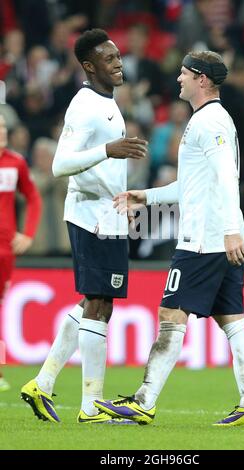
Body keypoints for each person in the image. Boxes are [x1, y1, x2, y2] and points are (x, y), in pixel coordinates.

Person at [95, 51, 244, 426]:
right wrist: (147, 197)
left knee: (171, 315)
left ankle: (144, 400)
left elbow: (225, 177)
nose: (178, 79)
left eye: (185, 74)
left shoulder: (211, 122)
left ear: (202, 79)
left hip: (204, 239)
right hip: (218, 235)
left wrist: (231, 230)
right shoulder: (206, 120)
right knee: (233, 319)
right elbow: (192, 185)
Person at [21, 29, 147, 423]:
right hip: (91, 218)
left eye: (118, 56)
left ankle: (41, 384)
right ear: (89, 67)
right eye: (109, 59)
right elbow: (60, 165)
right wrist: (109, 149)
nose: (118, 62)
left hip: (107, 216)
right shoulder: (85, 106)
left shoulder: (106, 102)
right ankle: (91, 408)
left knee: (95, 303)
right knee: (99, 306)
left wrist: (124, 198)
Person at [0, 112, 42, 392]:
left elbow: (33, 197)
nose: (3, 132)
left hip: (5, 250)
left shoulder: (15, 163)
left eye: (4, 127)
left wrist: (28, 234)